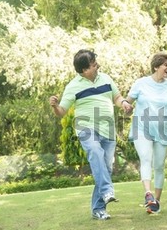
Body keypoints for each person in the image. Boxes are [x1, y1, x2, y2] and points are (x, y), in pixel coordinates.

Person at [49, 49, 131, 220]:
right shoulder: (73, 86)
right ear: (84, 70)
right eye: (94, 65)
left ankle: (98, 209)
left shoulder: (106, 78)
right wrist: (55, 106)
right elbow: (62, 111)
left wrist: (123, 103)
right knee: (95, 152)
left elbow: (116, 97)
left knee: (105, 168)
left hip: (108, 129)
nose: (97, 66)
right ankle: (107, 191)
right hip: (86, 127)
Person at [123, 52, 167, 214]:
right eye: (165, 65)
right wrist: (126, 108)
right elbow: (127, 103)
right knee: (146, 159)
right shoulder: (141, 83)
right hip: (142, 128)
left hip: (162, 131)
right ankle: (148, 194)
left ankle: (155, 202)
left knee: (159, 166)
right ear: (156, 66)